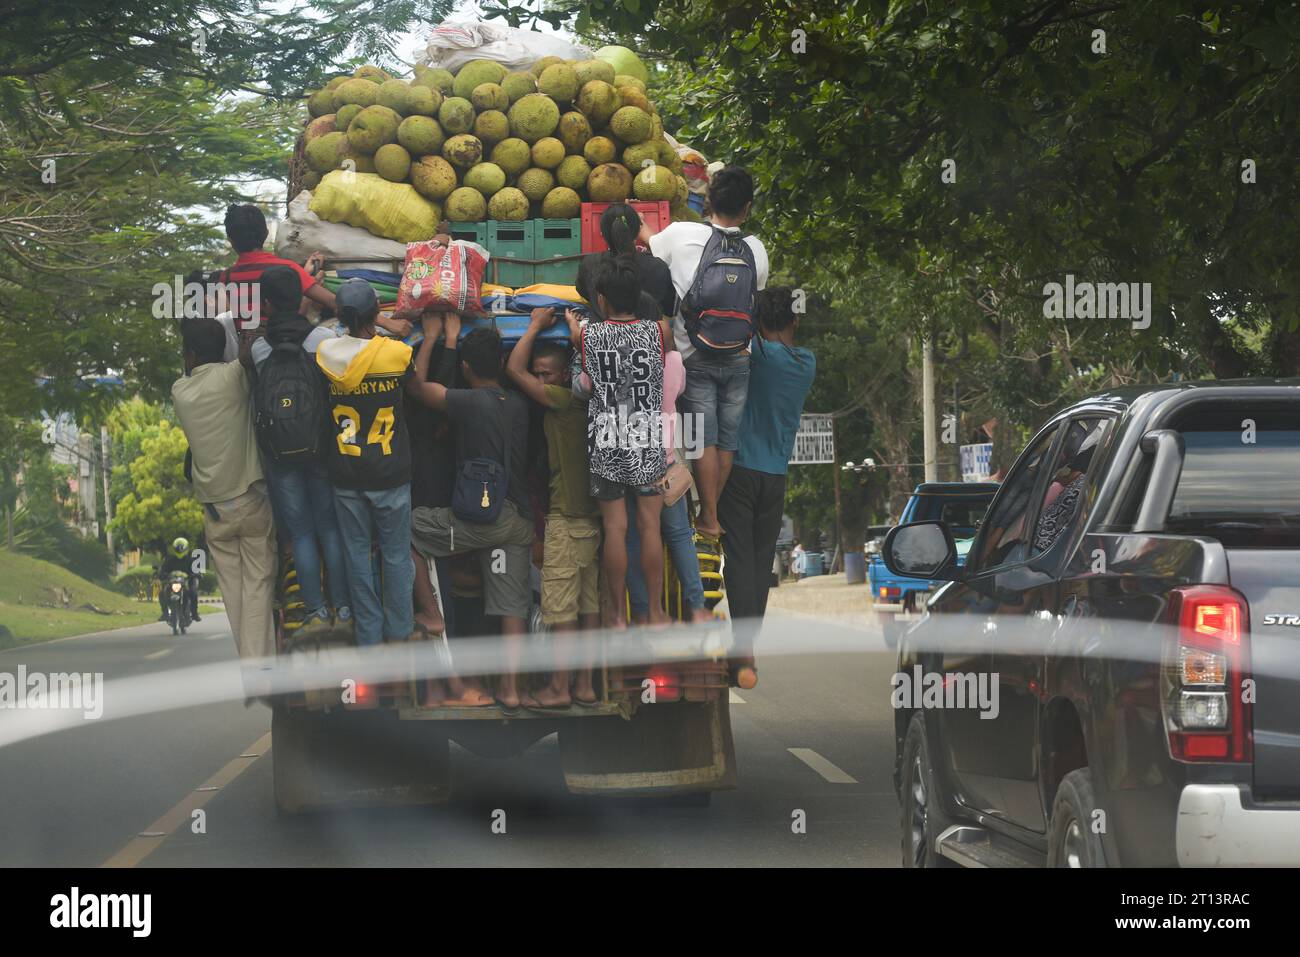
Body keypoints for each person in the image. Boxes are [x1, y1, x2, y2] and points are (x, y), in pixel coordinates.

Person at [407, 324, 535, 713]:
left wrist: (430, 338)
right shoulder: (520, 404)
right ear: (499, 362)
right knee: (513, 606)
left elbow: (415, 387)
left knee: (405, 528)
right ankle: (511, 690)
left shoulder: (465, 402)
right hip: (517, 521)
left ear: (465, 368)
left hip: (479, 519)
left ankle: (431, 613)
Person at [649, 166, 769, 539]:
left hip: (694, 355)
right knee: (727, 439)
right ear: (747, 208)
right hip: (738, 357)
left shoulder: (680, 234)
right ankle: (708, 514)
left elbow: (649, 249)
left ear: (708, 201)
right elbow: (755, 298)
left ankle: (709, 517)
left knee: (704, 438)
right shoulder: (757, 250)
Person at [171, 317, 276, 696]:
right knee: (259, 583)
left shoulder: (179, 390)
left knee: (233, 590)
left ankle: (252, 670)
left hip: (214, 511)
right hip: (251, 501)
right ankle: (261, 667)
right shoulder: (236, 377)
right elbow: (250, 353)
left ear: (192, 354)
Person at [717, 287, 815, 689]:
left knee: (738, 559)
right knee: (759, 563)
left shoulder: (755, 353)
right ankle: (746, 648)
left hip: (739, 469)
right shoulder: (806, 363)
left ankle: (745, 651)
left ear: (757, 322)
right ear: (794, 321)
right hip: (776, 475)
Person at [505, 307, 601, 709]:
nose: (541, 380)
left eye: (546, 373)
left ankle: (558, 688)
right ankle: (584, 685)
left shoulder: (563, 402)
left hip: (566, 520)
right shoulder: (594, 402)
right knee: (589, 608)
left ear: (565, 377)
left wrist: (532, 327)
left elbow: (514, 370)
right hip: (595, 520)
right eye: (539, 374)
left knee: (560, 609)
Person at [315, 279, 418, 647]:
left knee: (357, 556)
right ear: (377, 313)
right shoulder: (396, 354)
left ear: (339, 315)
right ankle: (400, 631)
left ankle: (369, 636)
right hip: (390, 473)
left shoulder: (326, 355)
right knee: (395, 556)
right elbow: (415, 389)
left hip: (346, 474)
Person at [253, 266, 351, 638]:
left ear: (265, 304)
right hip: (321, 447)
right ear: (303, 298)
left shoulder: (260, 350)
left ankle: (316, 611)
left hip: (280, 455)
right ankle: (343, 608)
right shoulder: (323, 340)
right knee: (330, 527)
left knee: (302, 532)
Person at [574, 256, 669, 628]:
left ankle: (616, 614)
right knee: (650, 527)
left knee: (615, 528)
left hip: (608, 436)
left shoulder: (588, 334)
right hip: (647, 435)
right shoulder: (657, 331)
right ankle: (657, 611)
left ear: (601, 300)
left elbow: (586, 381)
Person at [624, 339, 712, 624]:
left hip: (630, 462)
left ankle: (642, 612)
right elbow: (681, 388)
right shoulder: (673, 360)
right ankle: (697, 607)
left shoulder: (621, 356)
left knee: (634, 539)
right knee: (679, 536)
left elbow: (585, 387)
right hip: (666, 461)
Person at [576, 203, 676, 325]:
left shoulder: (589, 264)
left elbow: (584, 292)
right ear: (638, 230)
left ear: (602, 233)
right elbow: (670, 307)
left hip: (600, 339)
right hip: (648, 341)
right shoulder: (658, 266)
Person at [156, 536, 201, 623]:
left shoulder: (189, 560)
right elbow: (164, 569)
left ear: (186, 548)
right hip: (172, 583)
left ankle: (194, 613)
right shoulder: (170, 559)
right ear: (174, 548)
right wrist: (161, 574)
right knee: (162, 593)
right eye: (178, 548)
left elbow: (195, 571)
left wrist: (196, 574)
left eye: (182, 548)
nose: (180, 550)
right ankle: (165, 613)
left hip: (186, 583)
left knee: (193, 593)